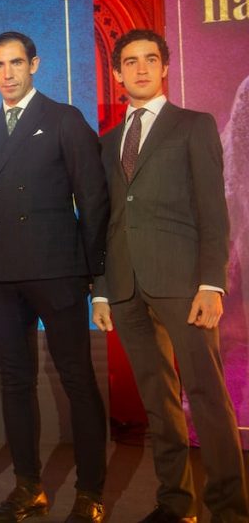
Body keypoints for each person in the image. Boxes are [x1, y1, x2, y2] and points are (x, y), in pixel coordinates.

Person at [92, 29, 249, 523]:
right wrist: (101, 290)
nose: (140, 68)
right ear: (117, 74)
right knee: (158, 403)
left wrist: (211, 283)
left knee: (206, 396)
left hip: (185, 287)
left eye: (150, 59)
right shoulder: (107, 143)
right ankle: (175, 504)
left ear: (164, 67)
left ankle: (229, 510)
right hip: (126, 287)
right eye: (130, 61)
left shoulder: (193, 125)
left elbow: (214, 211)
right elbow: (105, 221)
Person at [0, 32, 109, 523]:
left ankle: (91, 492)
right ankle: (29, 487)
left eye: (16, 63)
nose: (7, 73)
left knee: (77, 379)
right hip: (1, 278)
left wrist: (96, 275)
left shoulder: (64, 119)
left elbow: (93, 201)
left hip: (58, 272)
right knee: (15, 381)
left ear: (35, 64)